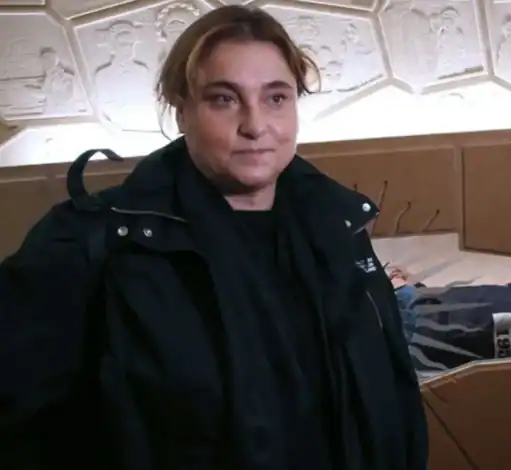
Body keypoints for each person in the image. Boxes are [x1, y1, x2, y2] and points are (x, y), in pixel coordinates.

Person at [0, 6, 427, 470]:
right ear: (180, 108)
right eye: (224, 99)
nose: (255, 125)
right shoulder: (91, 243)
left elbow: (393, 395)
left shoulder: (338, 227)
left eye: (276, 98)